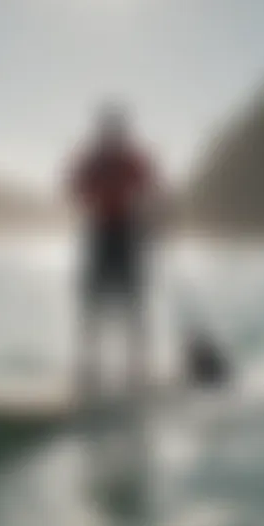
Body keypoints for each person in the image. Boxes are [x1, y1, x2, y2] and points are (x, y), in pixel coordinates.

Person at [66, 102, 163, 396]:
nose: (110, 135)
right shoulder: (91, 160)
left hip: (129, 233)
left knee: (132, 302)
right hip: (100, 233)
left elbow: (152, 191)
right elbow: (74, 188)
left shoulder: (133, 159)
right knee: (92, 302)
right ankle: (90, 370)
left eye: (115, 130)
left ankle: (137, 370)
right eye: (107, 130)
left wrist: (154, 221)